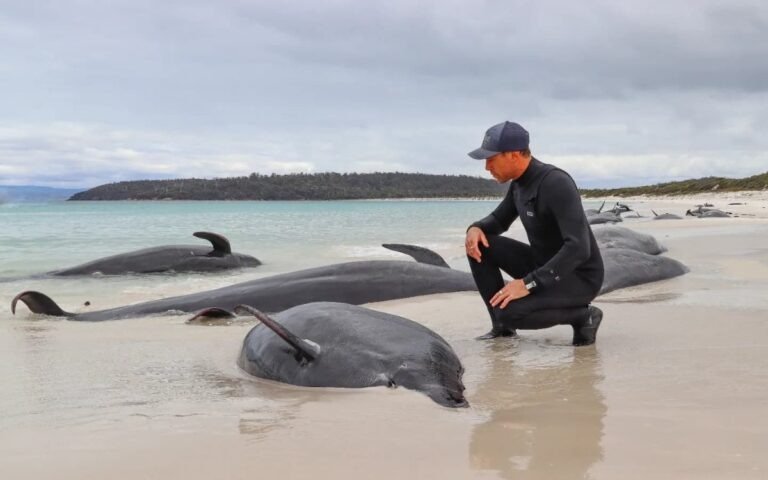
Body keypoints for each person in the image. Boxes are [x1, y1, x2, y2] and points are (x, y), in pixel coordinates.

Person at [465, 121, 605, 345]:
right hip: (544, 265)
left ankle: (584, 316)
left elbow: (578, 248)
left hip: (578, 277)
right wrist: (475, 228)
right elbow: (499, 221)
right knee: (480, 244)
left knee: (509, 312)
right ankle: (502, 328)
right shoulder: (519, 184)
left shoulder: (556, 183)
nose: (487, 167)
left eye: (491, 159)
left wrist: (528, 284)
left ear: (513, 155)